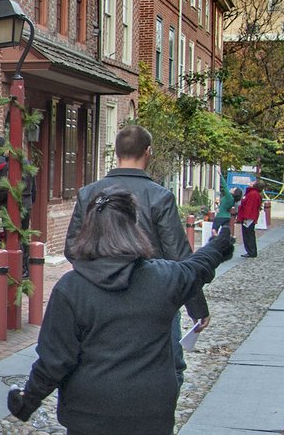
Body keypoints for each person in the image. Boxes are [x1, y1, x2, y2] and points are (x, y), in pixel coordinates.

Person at [7, 188, 234, 433]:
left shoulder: (71, 289)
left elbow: (55, 360)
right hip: (151, 411)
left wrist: (27, 400)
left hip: (89, 415)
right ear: (134, 227)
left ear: (88, 228)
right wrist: (218, 246)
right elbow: (196, 268)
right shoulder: (163, 278)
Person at [63, 125, 210, 388]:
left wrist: (96, 274)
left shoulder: (89, 193)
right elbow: (180, 256)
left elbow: (72, 247)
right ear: (148, 152)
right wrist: (196, 308)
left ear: (116, 153)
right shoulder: (159, 196)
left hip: (98, 296)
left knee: (98, 360)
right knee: (168, 365)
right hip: (154, 293)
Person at [237, 180, 265, 258]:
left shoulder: (253, 194)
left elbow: (249, 207)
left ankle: (251, 251)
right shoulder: (253, 193)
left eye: (253, 182)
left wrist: (245, 217)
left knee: (248, 234)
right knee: (248, 234)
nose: (251, 182)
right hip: (249, 217)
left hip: (248, 218)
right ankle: (251, 251)